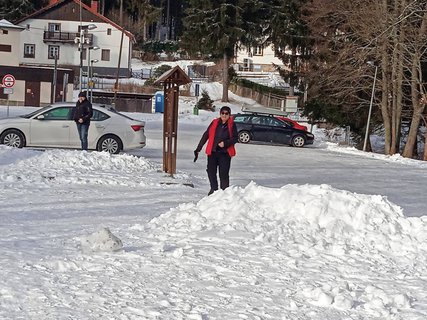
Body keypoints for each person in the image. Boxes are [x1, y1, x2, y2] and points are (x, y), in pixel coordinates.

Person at [194, 106, 238, 195]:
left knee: (223, 174)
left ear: (229, 115)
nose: (224, 115)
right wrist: (199, 147)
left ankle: (224, 192)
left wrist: (225, 143)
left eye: (226, 113)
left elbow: (235, 138)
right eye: (222, 113)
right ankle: (214, 189)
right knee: (211, 171)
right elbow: (206, 135)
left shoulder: (232, 125)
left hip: (225, 154)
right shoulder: (214, 122)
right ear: (220, 114)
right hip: (213, 152)